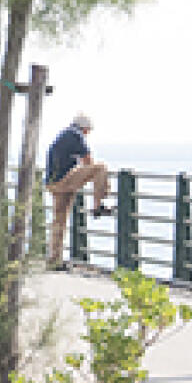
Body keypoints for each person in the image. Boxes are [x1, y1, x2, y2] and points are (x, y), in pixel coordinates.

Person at [45, 113, 111, 269]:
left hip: (53, 183)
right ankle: (98, 205)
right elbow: (88, 161)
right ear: (84, 128)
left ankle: (55, 260)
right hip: (63, 181)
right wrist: (92, 178)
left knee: (59, 221)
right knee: (100, 168)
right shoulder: (75, 135)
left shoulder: (64, 135)